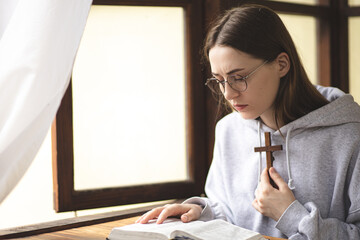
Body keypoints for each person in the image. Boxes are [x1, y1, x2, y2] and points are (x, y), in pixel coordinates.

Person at [136, 4, 360, 239]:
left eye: (239, 77)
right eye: (220, 80)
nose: (228, 94)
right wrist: (201, 213)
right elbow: (228, 212)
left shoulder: (350, 136)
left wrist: (291, 216)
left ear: (281, 64)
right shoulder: (228, 130)